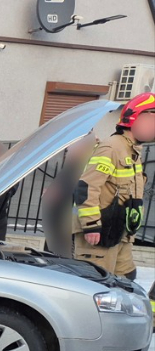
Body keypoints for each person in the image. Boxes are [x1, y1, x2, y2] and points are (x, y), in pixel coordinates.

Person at [72, 92, 154, 280]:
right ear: (137, 119)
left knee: (126, 278)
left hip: (119, 233)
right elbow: (87, 186)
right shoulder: (111, 147)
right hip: (100, 233)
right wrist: (91, 225)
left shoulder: (132, 151)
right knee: (96, 284)